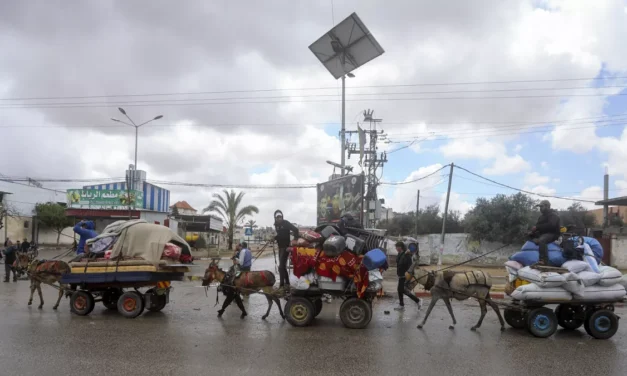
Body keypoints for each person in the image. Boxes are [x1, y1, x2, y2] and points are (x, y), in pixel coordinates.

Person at [530, 200, 561, 265]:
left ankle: (543, 260)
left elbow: (551, 225)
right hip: (543, 234)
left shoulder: (553, 215)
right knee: (530, 236)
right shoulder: (541, 217)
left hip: (553, 234)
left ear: (547, 206)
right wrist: (532, 231)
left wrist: (537, 227)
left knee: (542, 240)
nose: (540, 208)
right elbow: (538, 226)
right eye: (540, 207)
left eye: (541, 206)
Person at [273, 210, 299, 289]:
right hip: (280, 247)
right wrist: (274, 238)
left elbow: (296, 230)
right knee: (282, 266)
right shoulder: (276, 225)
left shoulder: (286, 223)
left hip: (286, 247)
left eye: (280, 217)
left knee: (281, 267)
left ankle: (281, 286)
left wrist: (295, 239)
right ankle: (287, 283)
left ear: (282, 217)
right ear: (275, 218)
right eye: (277, 217)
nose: (279, 218)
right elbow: (280, 235)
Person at [394, 241, 422, 311]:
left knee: (403, 290)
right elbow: (397, 261)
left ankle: (418, 301)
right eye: (396, 247)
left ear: (401, 247)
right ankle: (401, 305)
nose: (396, 248)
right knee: (400, 290)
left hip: (405, 276)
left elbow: (410, 266)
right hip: (400, 275)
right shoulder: (400, 254)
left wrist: (409, 276)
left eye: (397, 247)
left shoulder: (407, 255)